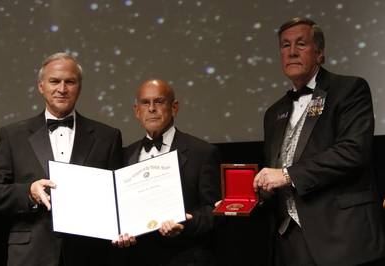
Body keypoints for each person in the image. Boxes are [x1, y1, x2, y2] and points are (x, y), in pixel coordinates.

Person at [253, 17, 385, 266]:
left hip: (342, 236)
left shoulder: (349, 90)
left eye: (301, 44)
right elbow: (276, 169)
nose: (291, 52)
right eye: (285, 45)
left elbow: (352, 152)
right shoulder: (274, 113)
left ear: (320, 53)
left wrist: (287, 175)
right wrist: (255, 193)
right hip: (290, 240)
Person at [0, 52, 123, 266]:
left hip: (89, 254)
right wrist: (29, 192)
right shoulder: (13, 135)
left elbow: (119, 196)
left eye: (70, 81)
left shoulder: (108, 136)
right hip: (31, 255)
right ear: (41, 86)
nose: (62, 89)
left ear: (79, 87)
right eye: (54, 81)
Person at [112, 79, 221, 266]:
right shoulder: (124, 155)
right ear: (137, 111)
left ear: (174, 107)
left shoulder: (201, 153)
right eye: (145, 103)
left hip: (186, 258)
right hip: (137, 258)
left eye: (159, 101)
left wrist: (187, 222)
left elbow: (215, 210)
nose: (152, 108)